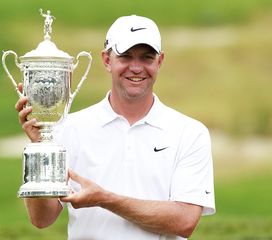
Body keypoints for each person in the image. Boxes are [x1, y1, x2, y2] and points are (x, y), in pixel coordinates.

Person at [15, 15, 215, 240]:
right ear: (107, 60)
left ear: (159, 61)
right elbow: (42, 219)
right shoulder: (69, 128)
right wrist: (40, 148)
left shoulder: (189, 133)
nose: (136, 68)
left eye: (146, 58)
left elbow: (184, 220)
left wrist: (104, 199)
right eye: (126, 57)